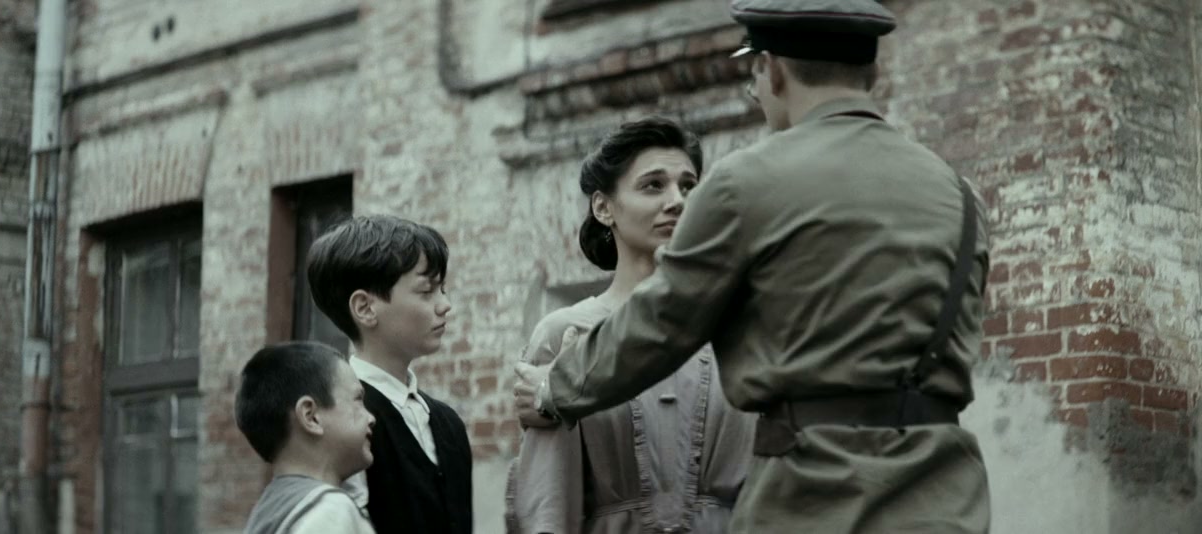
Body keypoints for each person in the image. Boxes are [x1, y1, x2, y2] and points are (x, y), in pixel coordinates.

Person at [512, 1, 993, 532]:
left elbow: (661, 321)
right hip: (946, 502)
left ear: (773, 69)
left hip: (814, 498)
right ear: (872, 73)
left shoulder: (749, 182)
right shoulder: (962, 198)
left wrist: (554, 389)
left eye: (754, 74)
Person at [506, 117, 755, 534]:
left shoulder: (739, 327)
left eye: (688, 186)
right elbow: (548, 502)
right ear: (604, 208)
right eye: (653, 185)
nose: (676, 201)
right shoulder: (566, 333)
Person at [306, 215, 473, 534]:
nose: (445, 305)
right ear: (365, 308)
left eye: (442, 289)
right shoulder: (340, 420)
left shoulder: (448, 424)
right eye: (427, 291)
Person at [236, 341, 377, 534]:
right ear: (311, 416)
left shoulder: (268, 512)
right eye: (358, 399)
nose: (371, 418)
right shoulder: (330, 511)